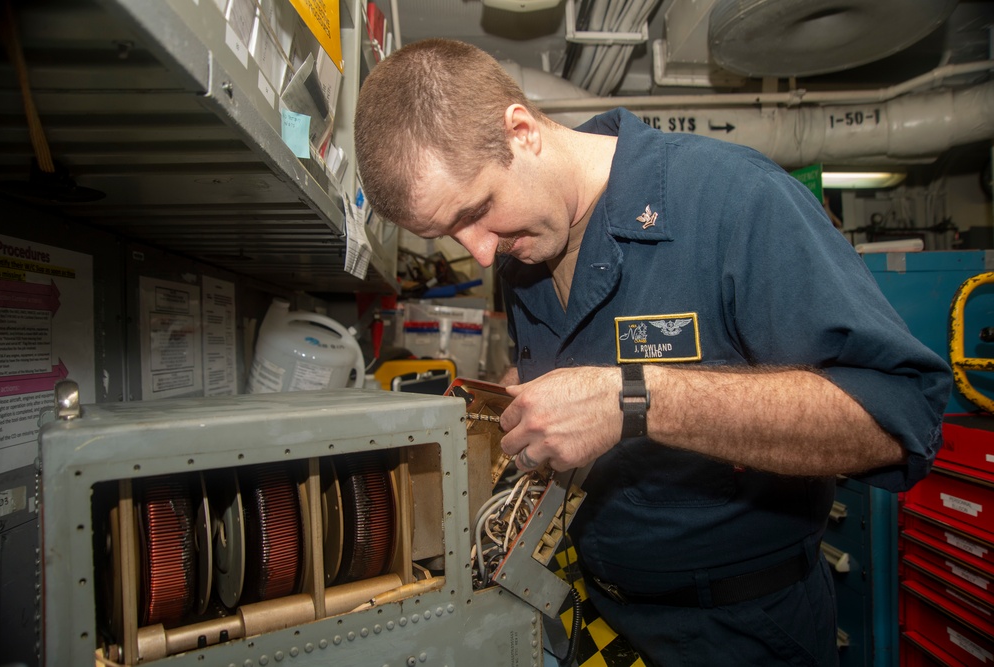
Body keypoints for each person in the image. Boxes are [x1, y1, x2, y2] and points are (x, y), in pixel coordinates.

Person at [354, 38, 952, 666]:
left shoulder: (733, 200)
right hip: (603, 611)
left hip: (743, 634)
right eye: (450, 233)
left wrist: (634, 400)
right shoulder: (522, 246)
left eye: (477, 211)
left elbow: (902, 420)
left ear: (522, 130)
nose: (478, 251)